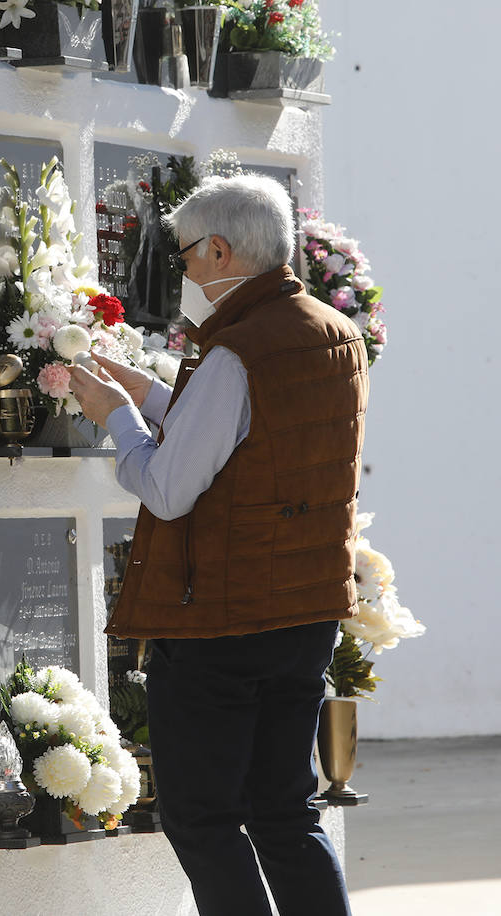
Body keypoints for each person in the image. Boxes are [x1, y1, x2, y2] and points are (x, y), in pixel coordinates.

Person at [68, 174, 367, 916]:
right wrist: (156, 395)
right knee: (283, 812)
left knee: (203, 819)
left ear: (223, 249)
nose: (186, 273)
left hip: (225, 620)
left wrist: (114, 416)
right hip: (305, 612)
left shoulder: (236, 350)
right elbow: (256, 440)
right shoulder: (333, 331)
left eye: (188, 258)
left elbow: (169, 489)